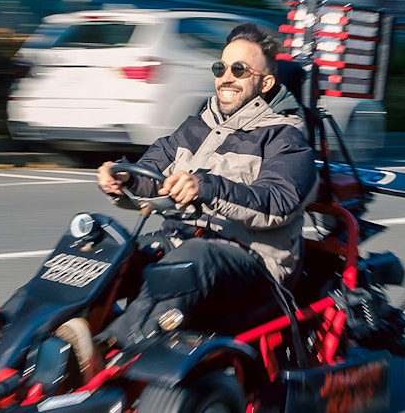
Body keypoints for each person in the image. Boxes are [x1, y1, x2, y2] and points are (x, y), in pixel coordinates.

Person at [75, 22, 318, 358]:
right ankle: (26, 334)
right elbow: (151, 175)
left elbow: (277, 203)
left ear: (265, 83)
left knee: (192, 260)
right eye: (221, 68)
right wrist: (124, 180)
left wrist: (205, 186)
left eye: (239, 69)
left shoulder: (285, 138)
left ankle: (110, 351)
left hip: (253, 267)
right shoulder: (194, 127)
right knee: (106, 247)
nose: (226, 77)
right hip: (185, 244)